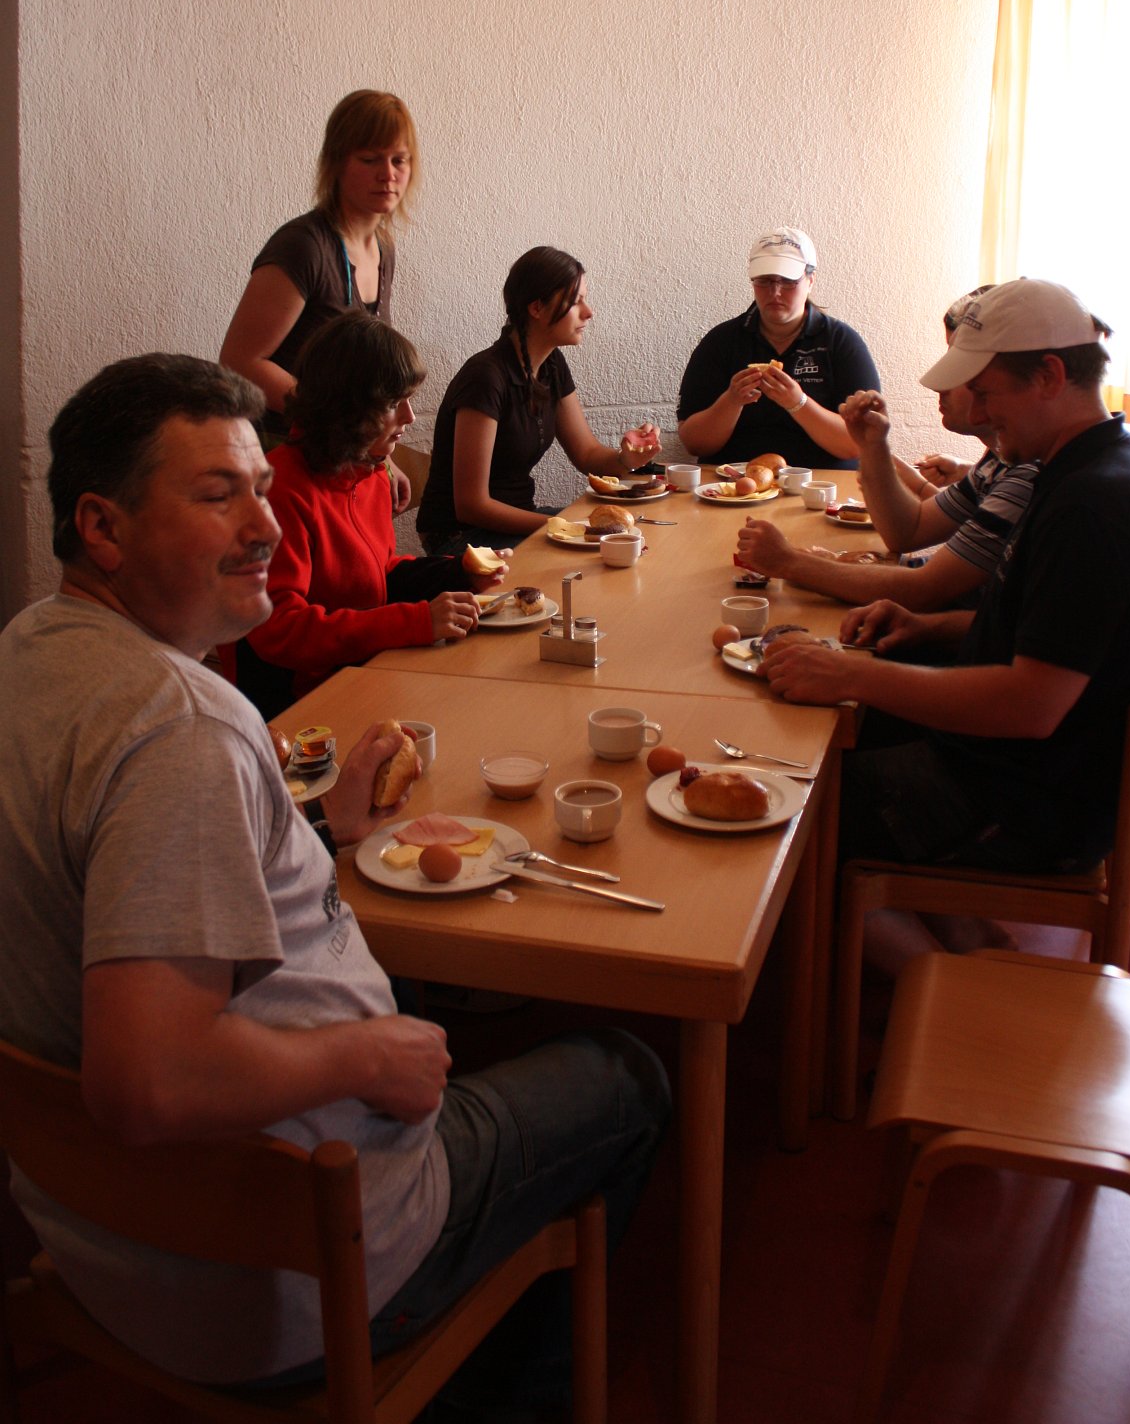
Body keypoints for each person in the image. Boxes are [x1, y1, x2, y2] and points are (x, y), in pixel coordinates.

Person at [0, 354, 669, 1401]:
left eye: (260, 489)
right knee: (627, 1075)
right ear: (102, 527)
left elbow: (131, 870)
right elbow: (147, 1081)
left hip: (100, 1243)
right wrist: (367, 1052)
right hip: (279, 1281)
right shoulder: (180, 728)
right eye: (218, 496)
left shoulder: (30, 653)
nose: (265, 527)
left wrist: (318, 829)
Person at [761, 278, 1130, 887]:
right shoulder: (1094, 464)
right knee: (818, 741)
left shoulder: (1090, 507)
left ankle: (930, 942)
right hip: (1027, 771)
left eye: (988, 394)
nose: (980, 414)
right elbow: (1057, 639)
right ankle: (946, 930)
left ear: (1050, 376)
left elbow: (1030, 704)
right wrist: (928, 626)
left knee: (787, 810)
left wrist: (849, 674)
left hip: (1025, 804)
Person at [233, 311, 506, 716]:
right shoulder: (279, 490)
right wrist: (414, 622)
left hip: (363, 673)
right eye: (393, 404)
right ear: (346, 408)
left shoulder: (369, 472)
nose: (409, 417)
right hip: (300, 706)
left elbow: (379, 575)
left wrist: (457, 573)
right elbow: (281, 630)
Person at [735, 285, 1038, 611]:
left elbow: (925, 589)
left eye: (965, 367)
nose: (941, 384)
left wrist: (789, 562)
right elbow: (909, 533)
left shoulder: (1027, 473)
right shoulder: (999, 460)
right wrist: (874, 448)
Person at [219, 89, 417, 510]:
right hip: (283, 455)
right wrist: (334, 417)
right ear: (337, 163)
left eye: (399, 160)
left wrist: (383, 459)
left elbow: (367, 375)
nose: (388, 174)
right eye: (370, 159)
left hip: (340, 452)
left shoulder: (383, 246)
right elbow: (240, 362)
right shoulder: (303, 246)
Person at [417, 247, 660, 555]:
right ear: (536, 308)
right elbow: (471, 506)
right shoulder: (485, 377)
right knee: (601, 552)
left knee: (632, 535)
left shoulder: (552, 365)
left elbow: (587, 454)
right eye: (575, 301)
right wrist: (565, 526)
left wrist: (628, 458)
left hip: (515, 522)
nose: (589, 312)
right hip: (457, 535)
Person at [676, 226, 879, 468]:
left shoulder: (841, 342)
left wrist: (798, 403)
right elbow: (694, 444)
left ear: (810, 281)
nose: (775, 292)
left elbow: (861, 442)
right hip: (733, 484)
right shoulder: (721, 341)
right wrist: (731, 401)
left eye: (788, 281)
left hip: (822, 483)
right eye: (764, 281)